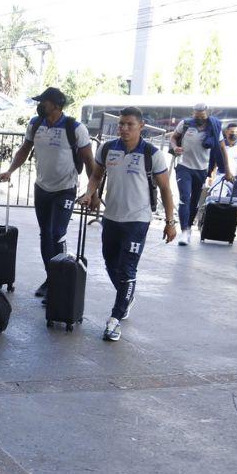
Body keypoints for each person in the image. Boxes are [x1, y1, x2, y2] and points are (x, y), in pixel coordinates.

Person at [79, 107, 176, 342]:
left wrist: (170, 222)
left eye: (129, 124)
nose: (123, 128)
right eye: (121, 124)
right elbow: (96, 176)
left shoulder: (152, 154)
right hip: (111, 217)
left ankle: (115, 319)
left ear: (140, 126)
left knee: (127, 268)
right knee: (110, 263)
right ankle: (127, 295)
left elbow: (165, 189)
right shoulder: (108, 148)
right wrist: (89, 193)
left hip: (137, 220)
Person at [0, 87, 94, 301]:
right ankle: (51, 277)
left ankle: (59, 281)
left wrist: (91, 192)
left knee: (57, 233)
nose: (39, 105)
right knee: (45, 234)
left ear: (57, 105)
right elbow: (24, 149)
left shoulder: (75, 128)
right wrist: (10, 171)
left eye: (44, 102)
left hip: (65, 189)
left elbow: (89, 161)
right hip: (42, 188)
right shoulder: (35, 124)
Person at [169, 102, 233, 245]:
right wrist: (175, 147)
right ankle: (184, 231)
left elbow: (222, 150)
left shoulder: (214, 127)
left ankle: (189, 227)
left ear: (207, 114)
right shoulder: (185, 124)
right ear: (193, 114)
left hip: (202, 170)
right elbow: (173, 137)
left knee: (194, 202)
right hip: (184, 166)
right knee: (185, 197)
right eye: (197, 117)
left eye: (202, 117)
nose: (199, 120)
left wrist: (227, 170)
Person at [214, 123, 237, 201]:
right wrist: (212, 176)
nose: (234, 134)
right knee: (219, 197)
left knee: (234, 201)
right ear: (226, 132)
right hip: (222, 175)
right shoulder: (221, 144)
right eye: (232, 132)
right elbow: (215, 161)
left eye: (236, 132)